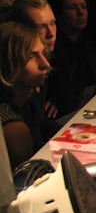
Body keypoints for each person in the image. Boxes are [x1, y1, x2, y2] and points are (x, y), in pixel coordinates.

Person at [0, 21, 57, 169]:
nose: (45, 64)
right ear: (8, 63)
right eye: (31, 56)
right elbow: (27, 178)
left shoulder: (28, 98)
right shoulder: (13, 128)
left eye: (43, 53)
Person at [46, 0, 96, 119]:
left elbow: (90, 77)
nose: (81, 12)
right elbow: (64, 93)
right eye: (72, 8)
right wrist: (58, 97)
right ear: (59, 14)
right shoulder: (54, 46)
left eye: (84, 7)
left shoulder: (85, 38)